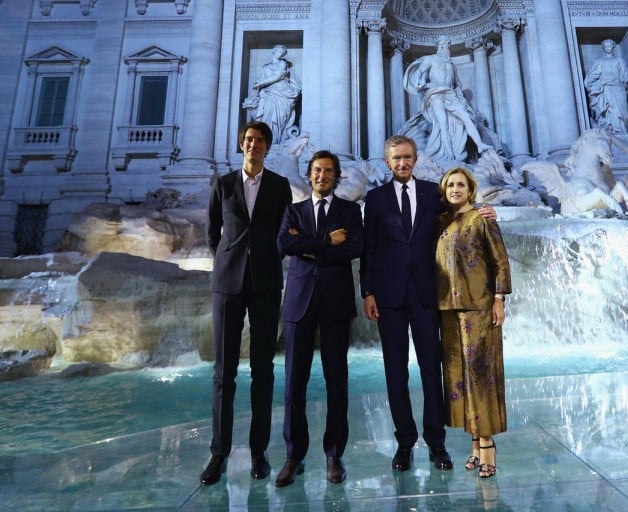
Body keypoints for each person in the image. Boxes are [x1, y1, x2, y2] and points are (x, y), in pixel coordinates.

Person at [361, 134, 496, 473]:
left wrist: (484, 211)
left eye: (407, 157)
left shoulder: (432, 193)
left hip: (427, 294)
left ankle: (437, 443)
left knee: (432, 371)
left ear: (415, 158)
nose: (402, 162)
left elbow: (460, 215)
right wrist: (368, 292)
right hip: (389, 297)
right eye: (396, 158)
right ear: (387, 161)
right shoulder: (375, 199)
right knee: (395, 373)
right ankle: (404, 443)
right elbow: (369, 249)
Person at [200, 120, 293, 486]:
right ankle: (218, 453)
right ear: (242, 145)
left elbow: (285, 231)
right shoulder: (223, 184)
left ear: (267, 147)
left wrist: (268, 257)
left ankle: (259, 450)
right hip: (227, 283)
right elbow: (212, 232)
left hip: (266, 281)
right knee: (223, 371)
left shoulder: (280, 186)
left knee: (263, 370)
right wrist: (227, 258)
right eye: (249, 139)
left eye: (259, 140)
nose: (253, 145)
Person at [274, 150, 364, 487]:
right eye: (316, 170)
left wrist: (308, 246)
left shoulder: (350, 211)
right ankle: (293, 455)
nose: (321, 176)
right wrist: (327, 241)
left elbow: (354, 248)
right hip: (299, 302)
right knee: (293, 383)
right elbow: (284, 244)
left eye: (327, 171)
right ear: (309, 174)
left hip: (336, 302)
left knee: (336, 381)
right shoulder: (293, 210)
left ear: (336, 176)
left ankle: (334, 454)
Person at [435, 167, 511, 479]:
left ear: (470, 189)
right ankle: (475, 444)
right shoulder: (441, 221)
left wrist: (498, 298)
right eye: (450, 185)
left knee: (481, 376)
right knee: (459, 378)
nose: (455, 189)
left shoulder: (483, 218)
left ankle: (488, 446)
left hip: (478, 306)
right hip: (448, 309)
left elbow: (499, 260)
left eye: (460, 185)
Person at [402, 35, 492, 163]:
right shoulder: (431, 59)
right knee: (443, 124)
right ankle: (450, 156)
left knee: (466, 116)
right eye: (442, 45)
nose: (445, 47)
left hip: (450, 94)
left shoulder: (452, 65)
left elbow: (457, 83)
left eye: (447, 45)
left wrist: (459, 93)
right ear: (438, 47)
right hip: (435, 94)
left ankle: (480, 145)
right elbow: (420, 72)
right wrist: (419, 81)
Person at [242, 44, 301, 145]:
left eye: (283, 53)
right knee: (266, 115)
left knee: (279, 117)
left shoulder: (283, 64)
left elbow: (277, 77)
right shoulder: (266, 67)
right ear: (274, 51)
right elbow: (259, 80)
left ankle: (276, 139)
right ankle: (266, 138)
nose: (281, 54)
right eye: (279, 51)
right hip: (267, 93)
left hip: (282, 93)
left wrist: (260, 84)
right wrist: (256, 90)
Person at [584, 38, 628, 134]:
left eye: (609, 46)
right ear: (603, 48)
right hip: (606, 89)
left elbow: (626, 76)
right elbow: (591, 77)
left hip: (619, 89)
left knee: (622, 112)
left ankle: (624, 131)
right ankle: (612, 132)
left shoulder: (619, 60)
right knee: (610, 111)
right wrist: (598, 83)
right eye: (606, 47)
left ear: (613, 47)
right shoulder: (599, 61)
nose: (608, 48)